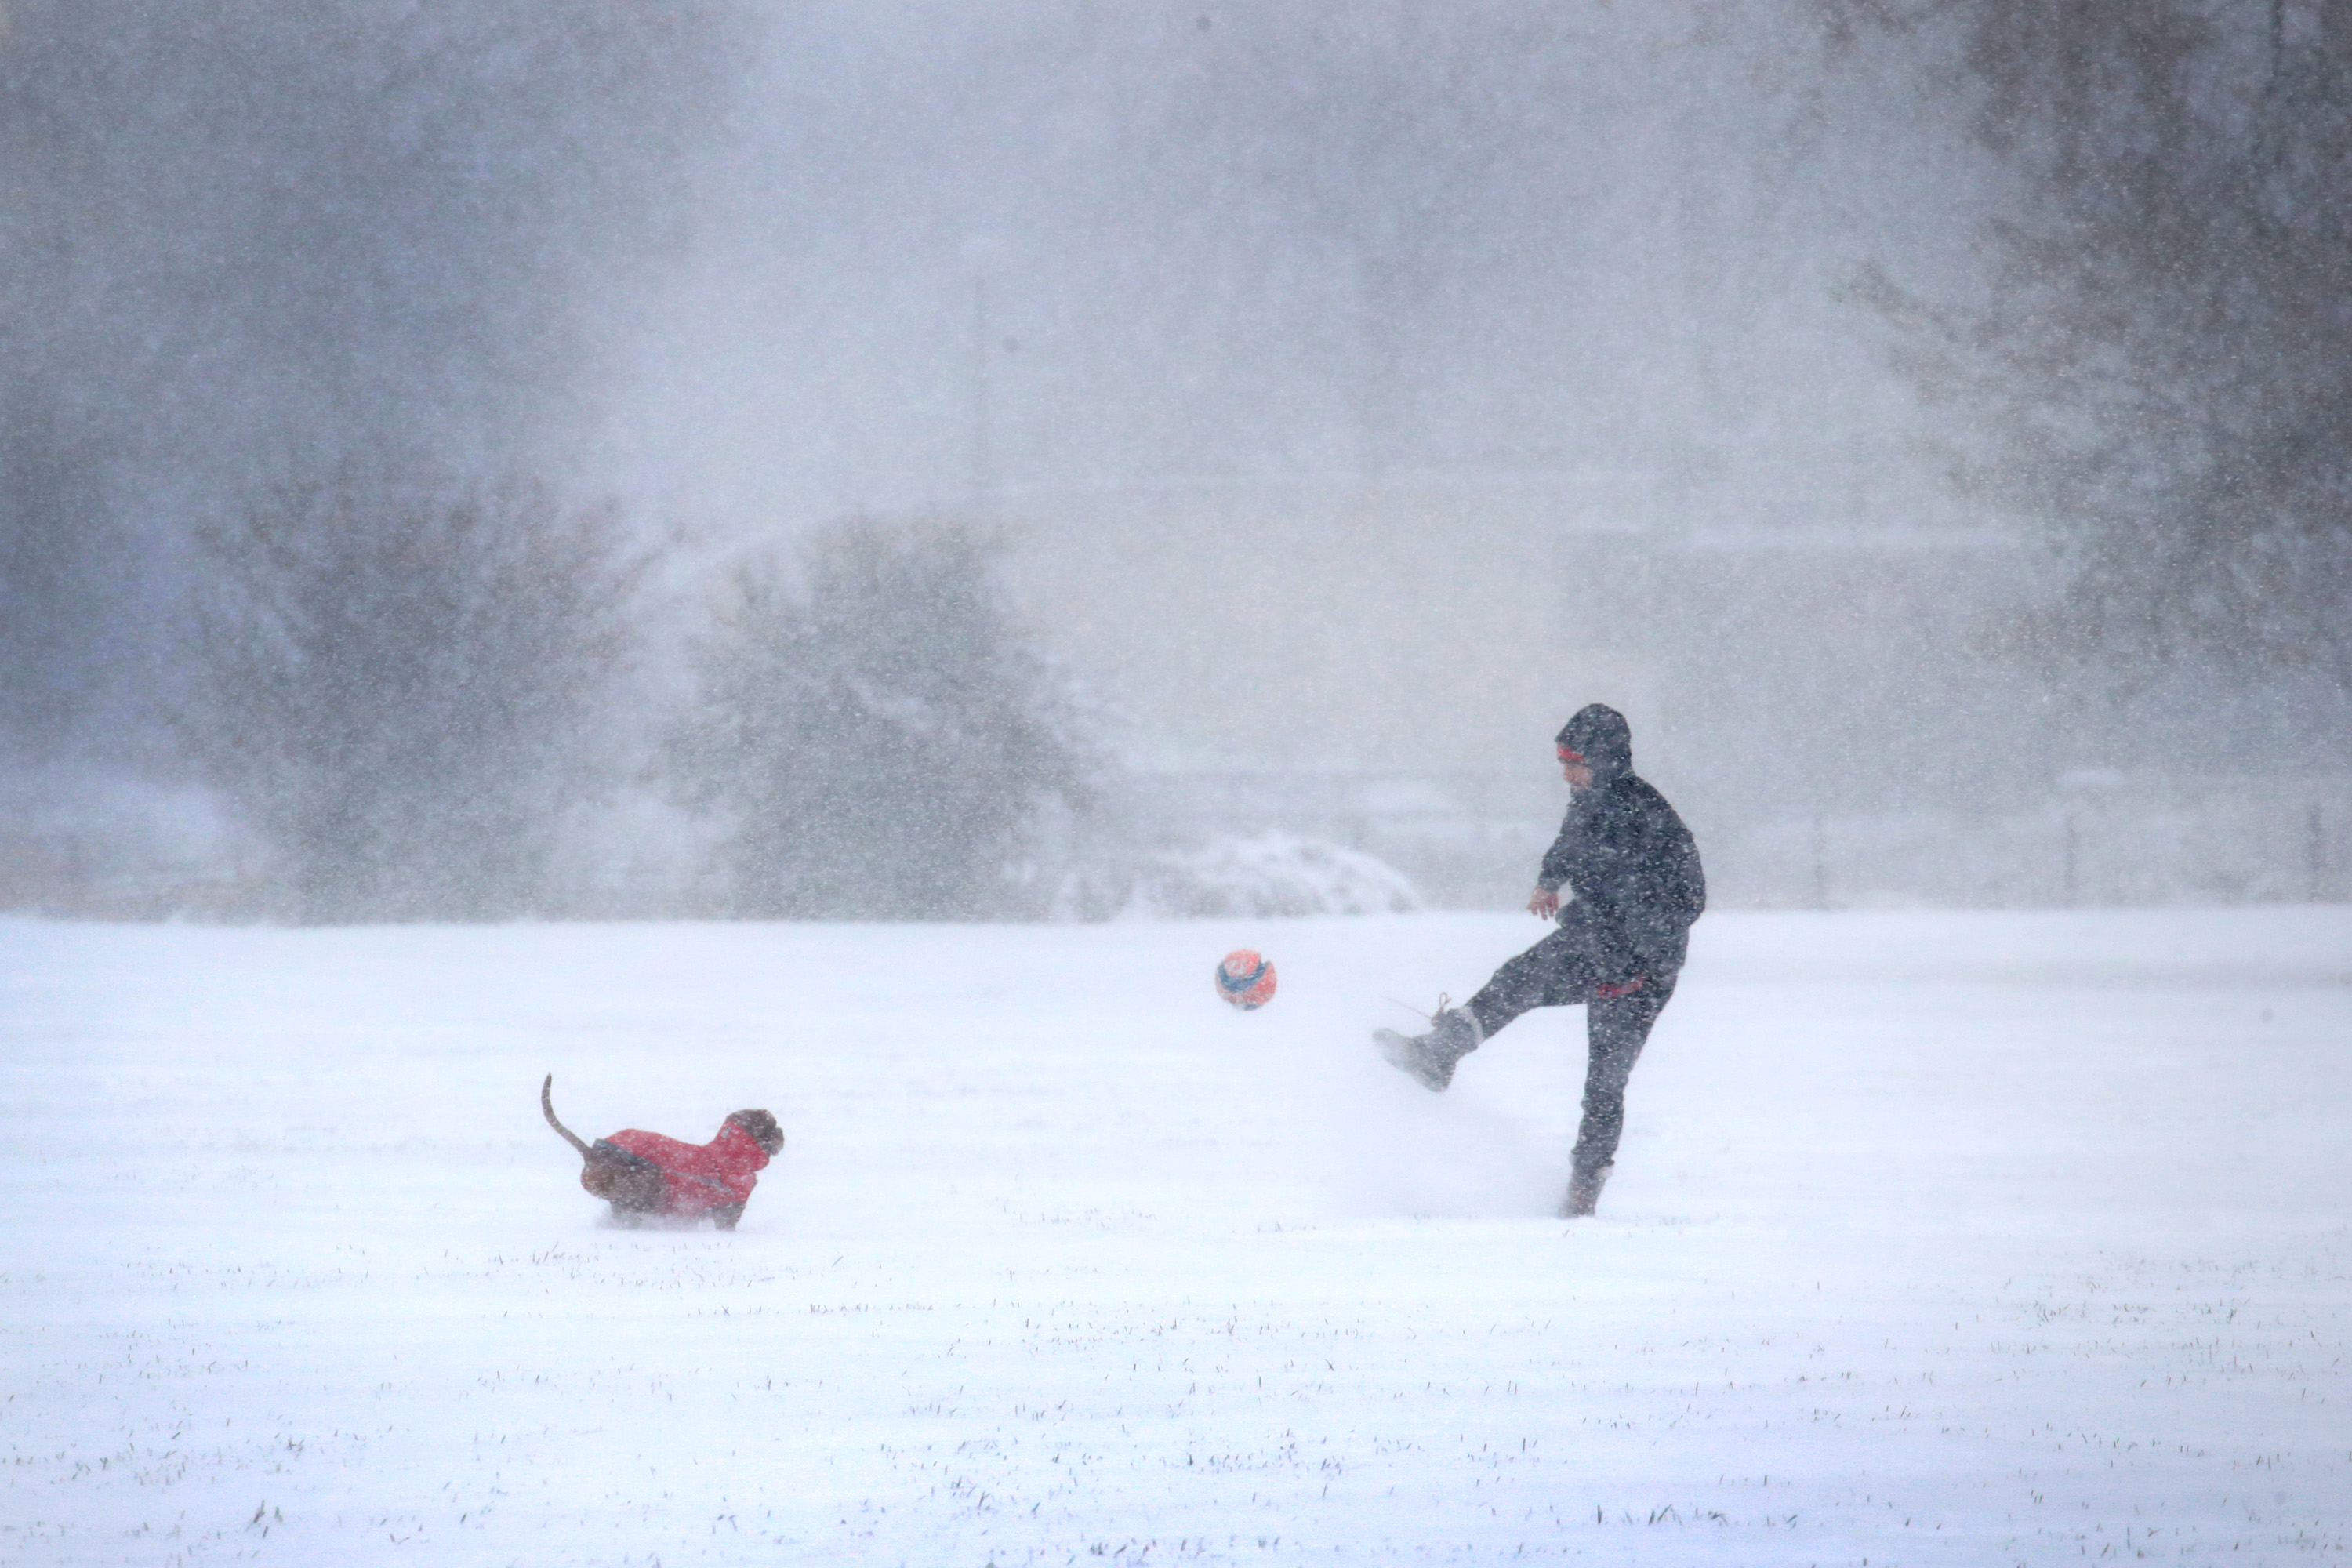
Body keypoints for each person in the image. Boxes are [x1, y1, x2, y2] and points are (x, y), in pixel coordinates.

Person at [1374, 703, 1704, 1218]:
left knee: (1604, 1084)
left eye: (1577, 764)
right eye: (1563, 764)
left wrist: (1640, 962)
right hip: (1593, 939)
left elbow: (1689, 900)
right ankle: (1440, 1055)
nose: (1568, 776)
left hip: (1642, 971)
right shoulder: (1588, 800)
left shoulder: (1650, 816)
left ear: (1608, 761)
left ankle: (1582, 1193)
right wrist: (1550, 881)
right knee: (1516, 979)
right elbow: (1571, 844)